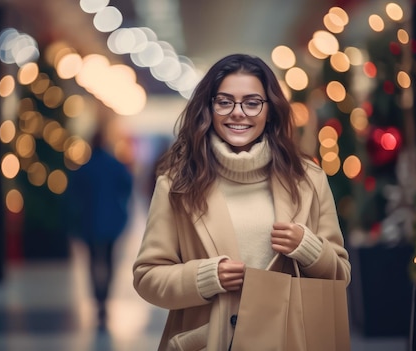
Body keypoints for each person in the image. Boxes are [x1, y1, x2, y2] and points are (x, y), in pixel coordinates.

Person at [132, 54, 351, 350]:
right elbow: (148, 277)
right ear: (209, 108)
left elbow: (341, 274)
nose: (238, 113)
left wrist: (308, 247)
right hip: (209, 340)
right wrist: (206, 276)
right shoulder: (177, 184)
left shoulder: (308, 179)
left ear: (270, 111)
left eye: (251, 102)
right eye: (224, 101)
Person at [65, 130, 133, 330]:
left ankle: (98, 297)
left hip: (89, 221)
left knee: (93, 260)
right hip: (112, 221)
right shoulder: (115, 165)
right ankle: (105, 297)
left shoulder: (84, 168)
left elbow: (73, 193)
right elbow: (127, 187)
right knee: (110, 260)